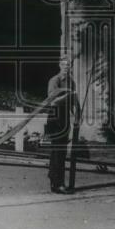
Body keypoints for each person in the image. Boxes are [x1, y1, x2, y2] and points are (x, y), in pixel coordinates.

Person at [45, 57, 81, 194]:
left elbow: (74, 101)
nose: (66, 67)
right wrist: (68, 96)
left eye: (69, 65)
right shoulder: (55, 81)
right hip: (55, 117)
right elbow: (52, 102)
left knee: (62, 151)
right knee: (57, 150)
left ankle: (57, 181)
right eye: (64, 65)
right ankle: (56, 183)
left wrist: (78, 114)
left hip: (65, 117)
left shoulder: (71, 81)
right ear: (59, 65)